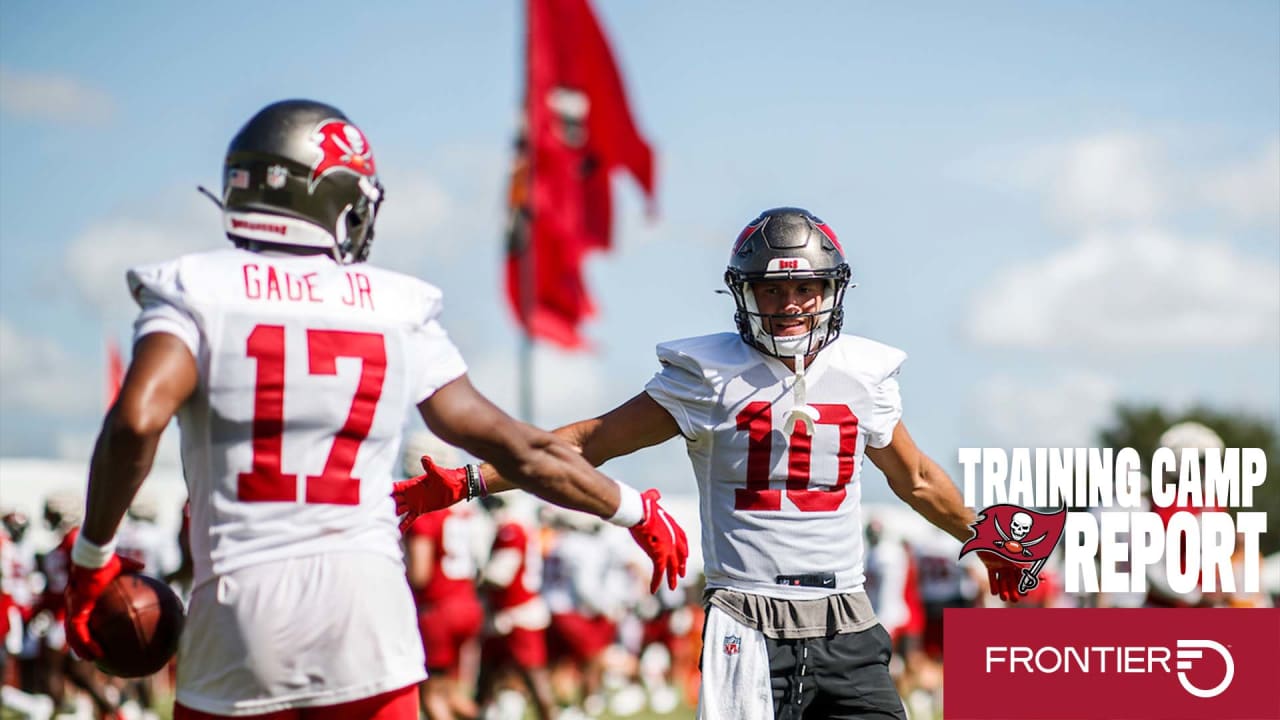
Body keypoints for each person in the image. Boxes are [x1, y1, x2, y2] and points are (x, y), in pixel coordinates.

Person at [62, 99, 688, 720]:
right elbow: (514, 447)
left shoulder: (197, 287)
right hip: (366, 614)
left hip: (239, 608)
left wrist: (91, 560)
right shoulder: (394, 304)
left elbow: (136, 420)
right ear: (329, 193)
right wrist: (630, 508)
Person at [395, 207, 1021, 719]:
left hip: (847, 621)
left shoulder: (862, 372)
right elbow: (589, 442)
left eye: (806, 288)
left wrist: (983, 536)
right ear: (745, 294)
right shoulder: (708, 375)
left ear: (832, 291)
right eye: (773, 290)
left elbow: (913, 477)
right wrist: (474, 478)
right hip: (747, 621)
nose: (791, 305)